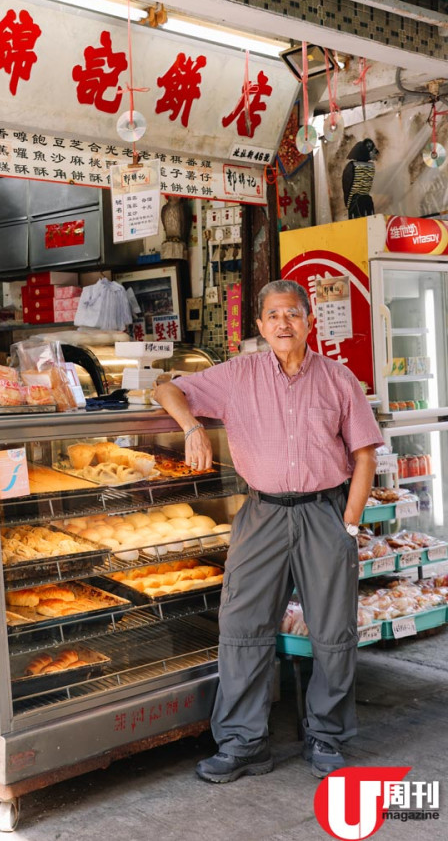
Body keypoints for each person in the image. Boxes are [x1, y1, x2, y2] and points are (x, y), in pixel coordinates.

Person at [153, 279, 383, 782]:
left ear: (308, 322)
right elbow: (167, 387)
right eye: (273, 316)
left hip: (325, 512)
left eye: (293, 315)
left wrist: (350, 521)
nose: (283, 323)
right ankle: (243, 742)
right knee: (243, 627)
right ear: (259, 326)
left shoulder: (339, 379)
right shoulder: (238, 375)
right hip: (261, 515)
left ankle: (327, 735)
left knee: (333, 631)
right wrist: (192, 427)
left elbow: (365, 455)